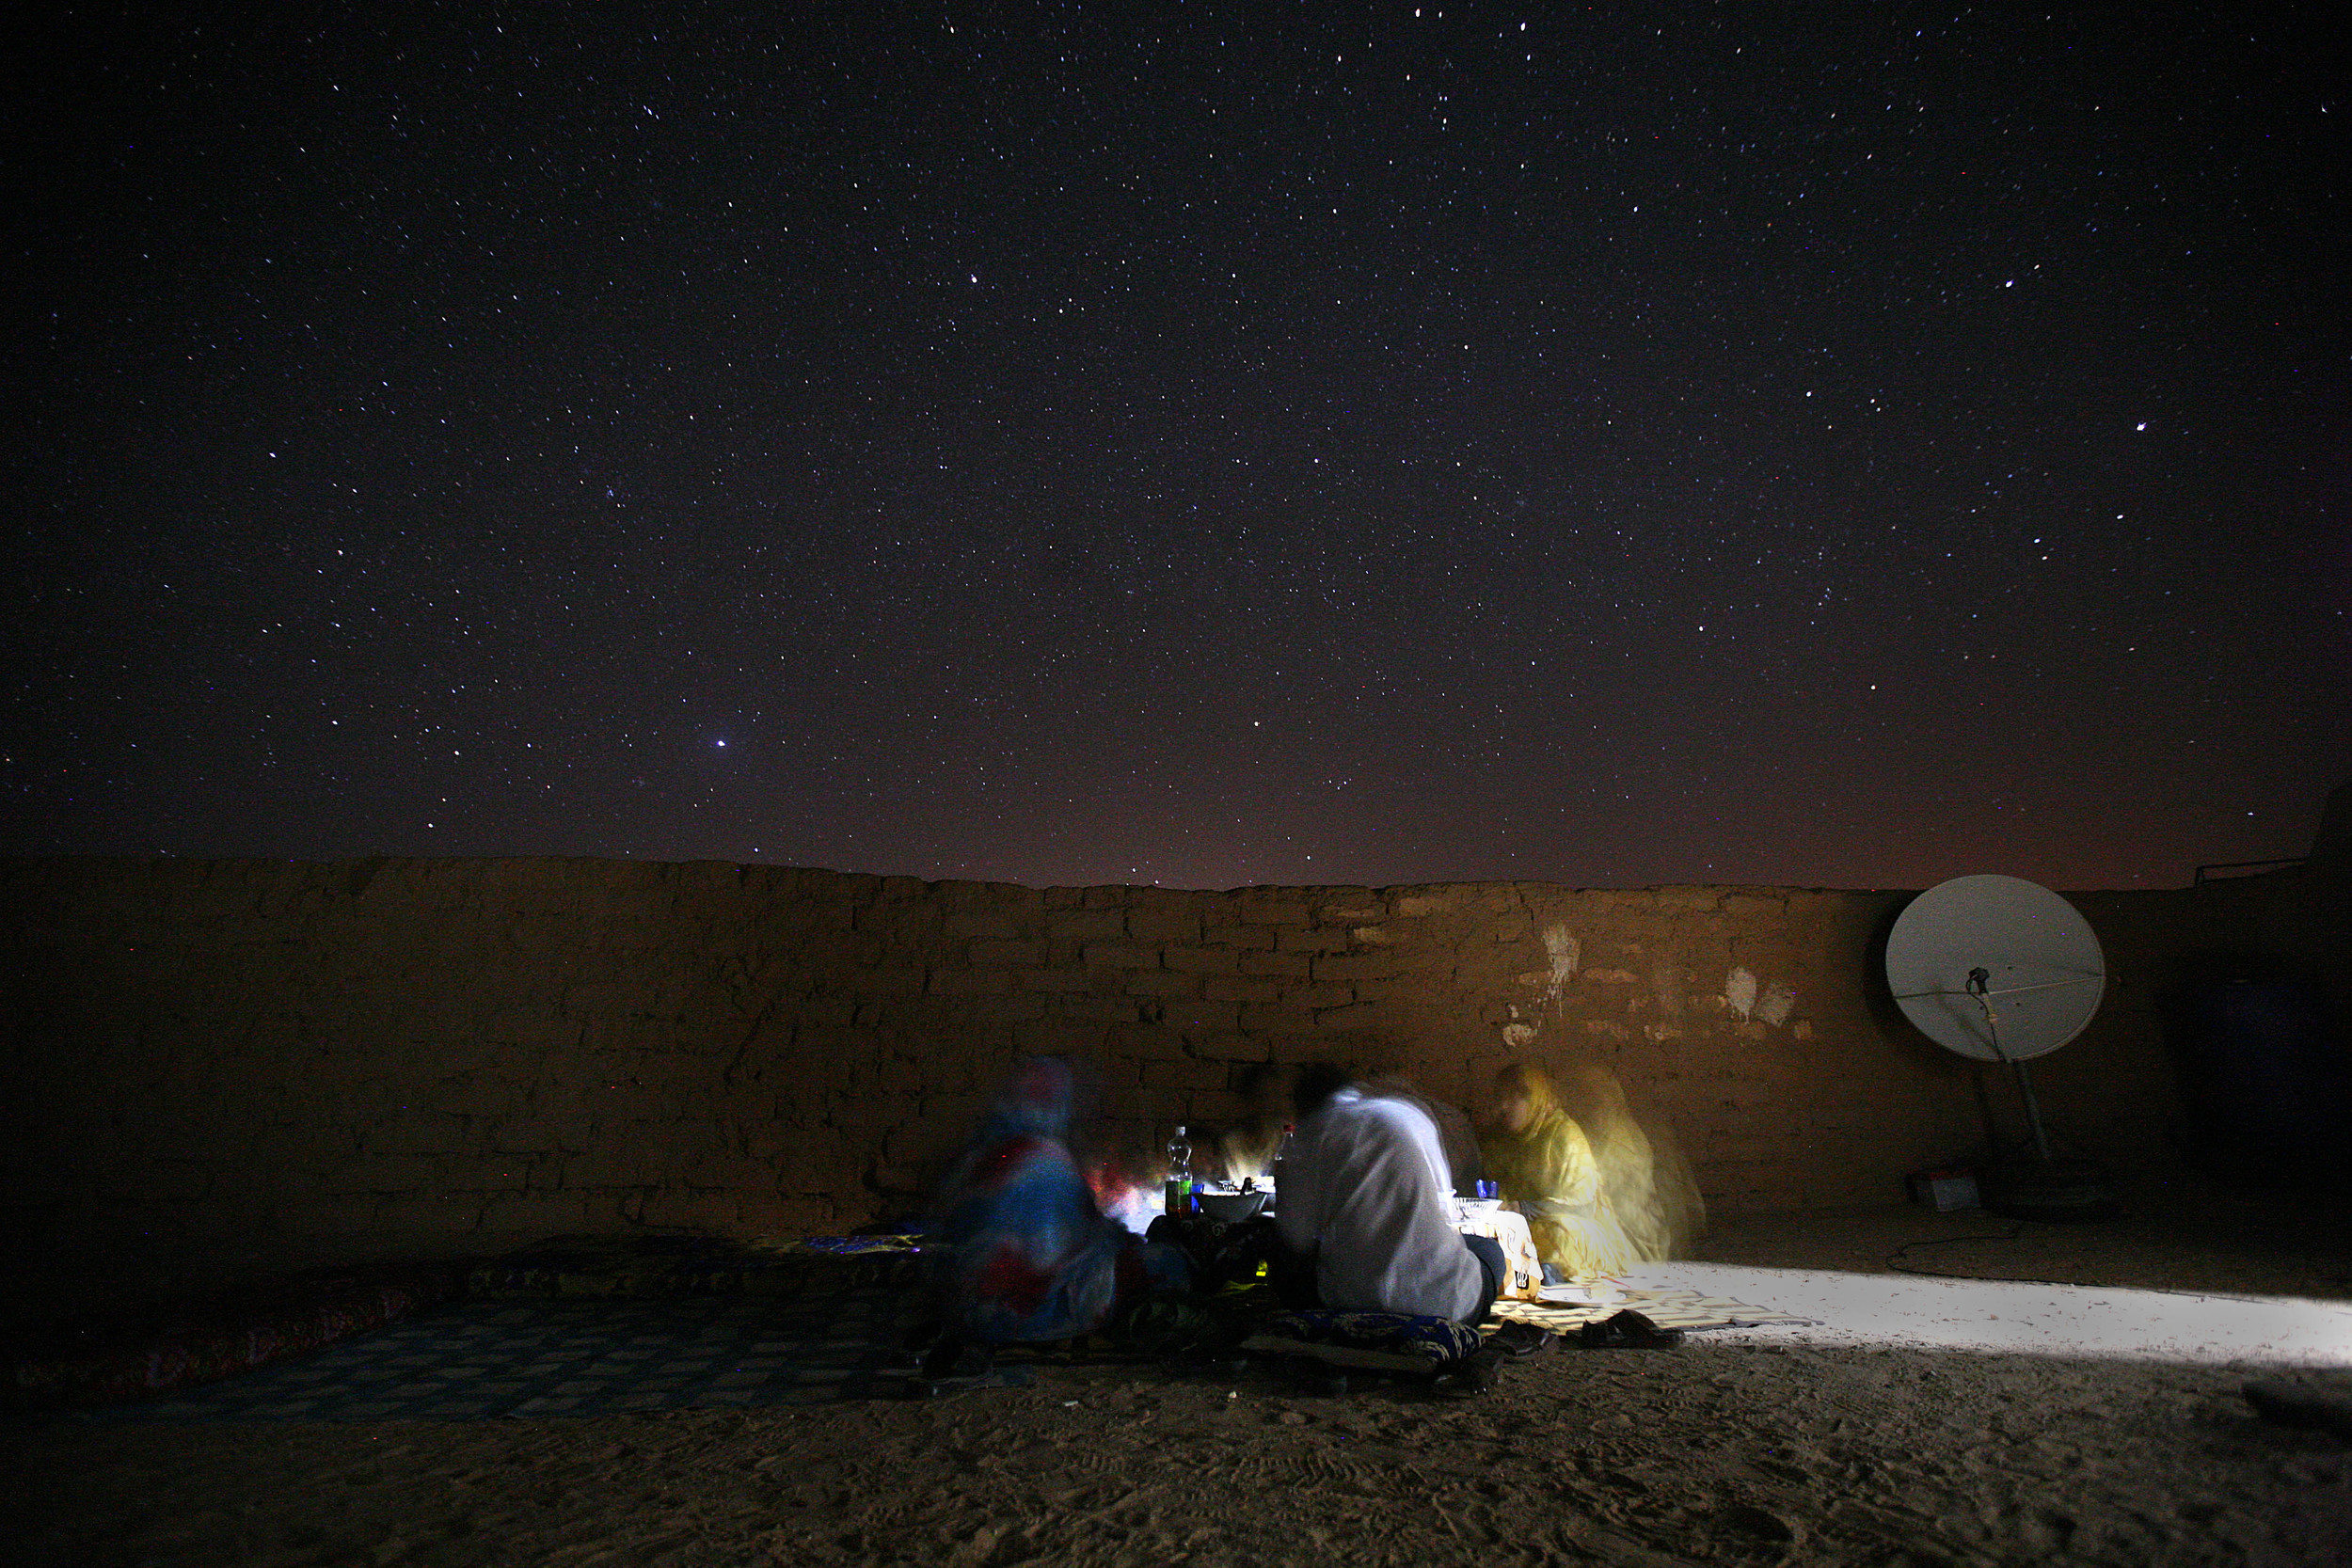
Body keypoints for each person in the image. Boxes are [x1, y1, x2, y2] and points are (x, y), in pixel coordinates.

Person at [922, 1057, 1191, 1354]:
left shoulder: (974, 1153)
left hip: (951, 1308)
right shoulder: (1045, 1159)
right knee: (1167, 1261)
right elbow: (1068, 1248)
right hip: (1008, 1315)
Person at [1271, 1063, 1503, 1323]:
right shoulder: (1405, 1114)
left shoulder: (1309, 1137)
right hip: (1445, 1304)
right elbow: (1443, 1206)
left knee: (1288, 1266)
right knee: (1489, 1250)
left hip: (1350, 1304)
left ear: (1303, 1105)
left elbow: (1296, 1236)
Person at [1481, 1062, 1639, 1282]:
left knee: (1561, 1234)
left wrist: (1524, 1208)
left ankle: (1550, 1270)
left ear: (1534, 1100)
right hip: (1519, 1223)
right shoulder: (1500, 1140)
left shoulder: (1565, 1136)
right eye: (1500, 1099)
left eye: (1513, 1099)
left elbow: (1583, 1206)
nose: (1503, 1107)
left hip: (1569, 1225)